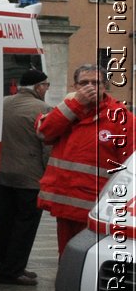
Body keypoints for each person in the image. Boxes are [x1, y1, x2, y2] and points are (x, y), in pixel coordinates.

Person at [37, 64, 135, 253]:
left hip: (96, 209)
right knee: (66, 256)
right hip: (65, 206)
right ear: (75, 87)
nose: (89, 87)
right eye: (84, 83)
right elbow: (44, 132)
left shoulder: (122, 118)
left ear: (104, 86)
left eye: (95, 83)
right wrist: (75, 104)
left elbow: (130, 164)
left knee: (89, 257)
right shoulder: (67, 110)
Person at [0, 68, 51, 284]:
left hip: (4, 174)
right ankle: (13, 271)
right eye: (46, 85)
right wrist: (48, 174)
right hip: (29, 177)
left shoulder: (3, 103)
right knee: (25, 226)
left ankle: (5, 264)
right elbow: (47, 145)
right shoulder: (43, 108)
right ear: (38, 87)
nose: (46, 89)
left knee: (6, 222)